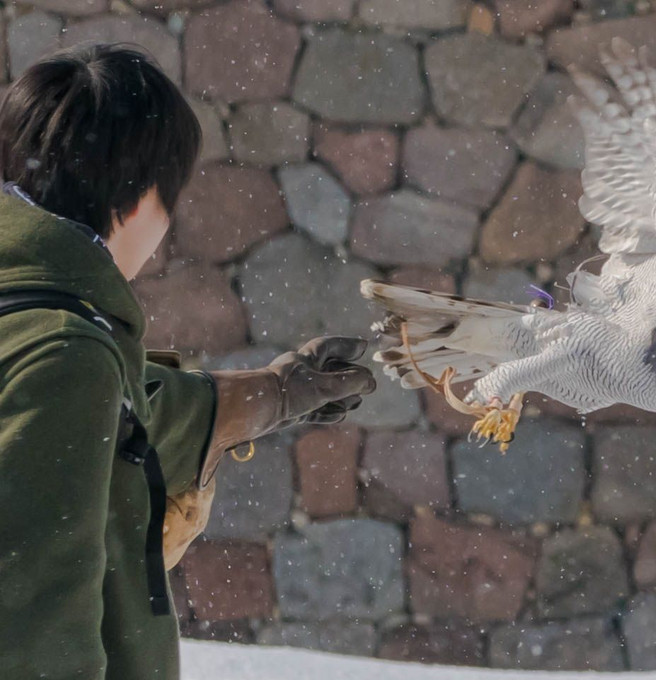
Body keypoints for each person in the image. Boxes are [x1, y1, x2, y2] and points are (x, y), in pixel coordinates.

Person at [0, 44, 376, 680]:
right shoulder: (65, 355)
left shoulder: (34, 314)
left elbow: (132, 422)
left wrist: (278, 391)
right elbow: (32, 629)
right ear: (145, 198)